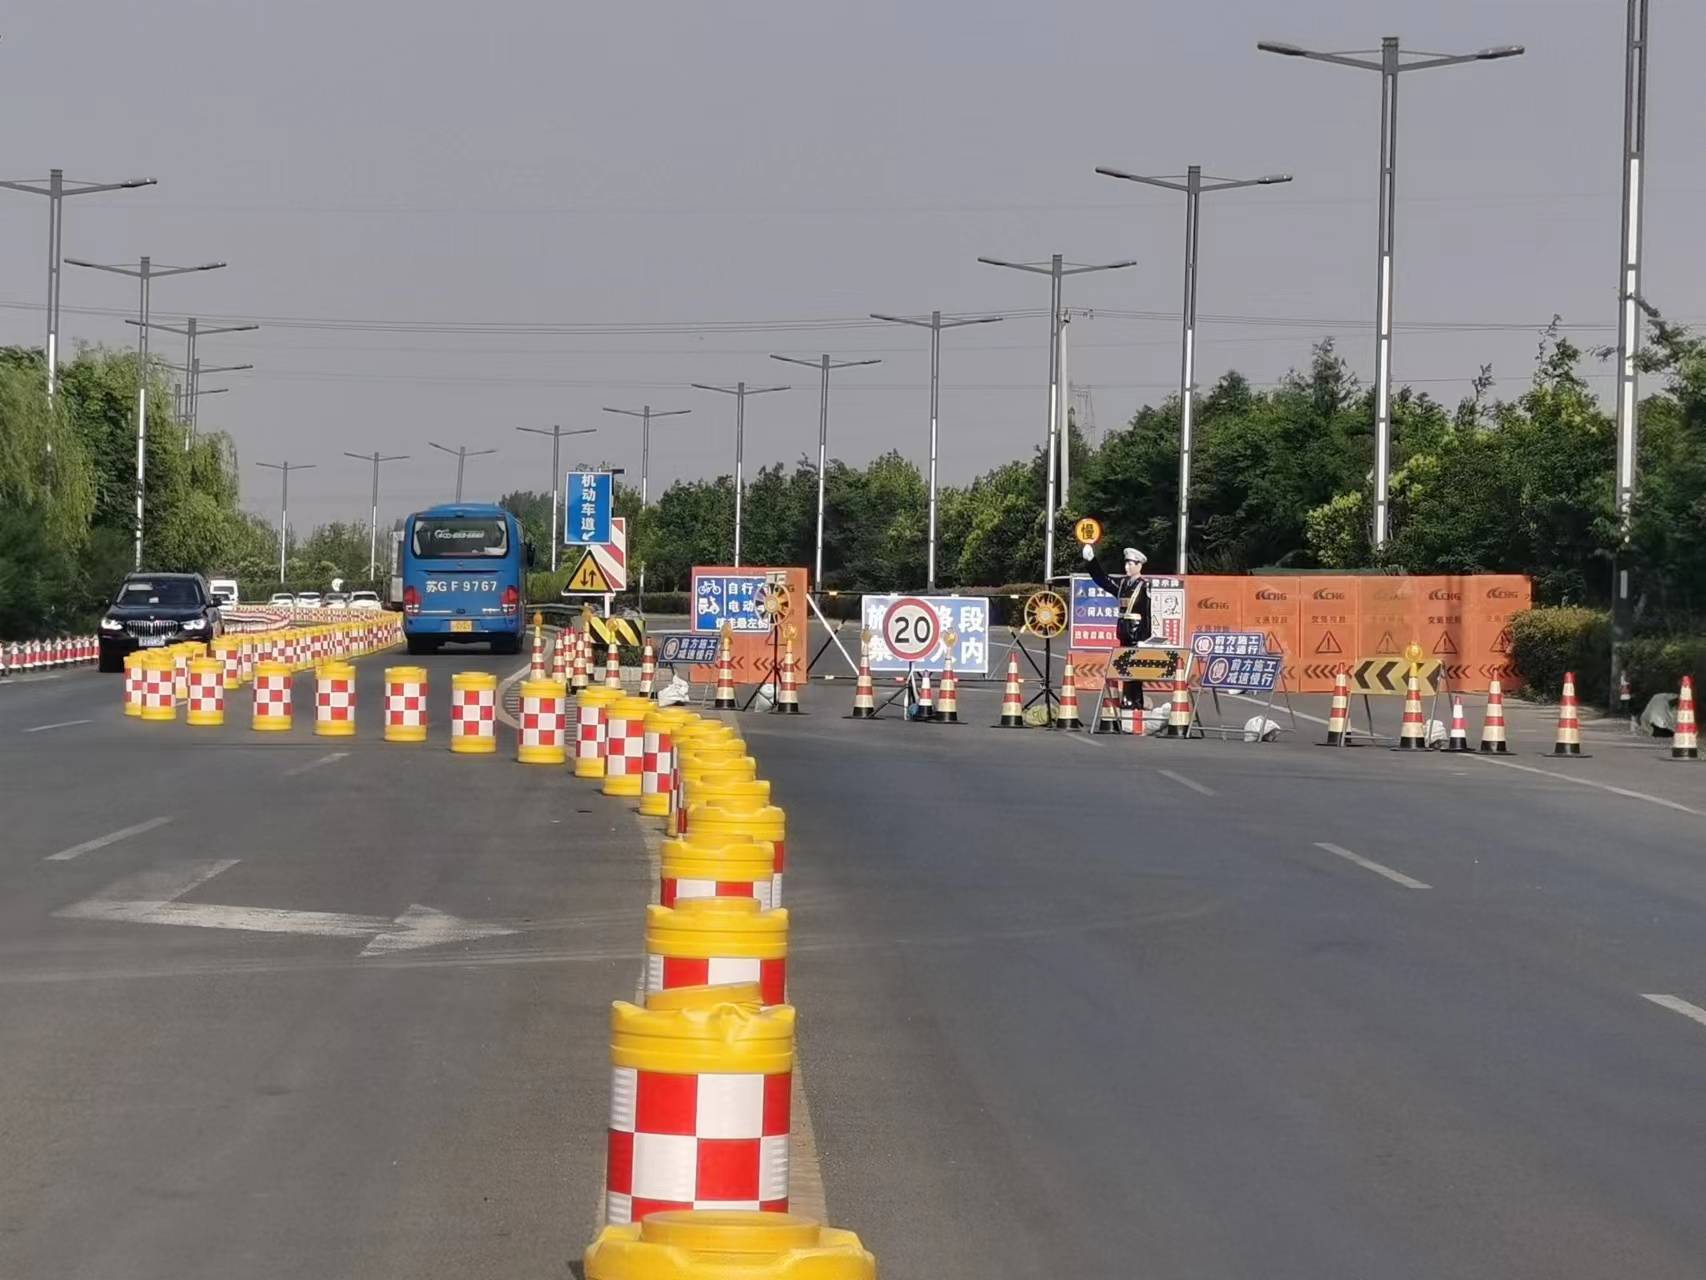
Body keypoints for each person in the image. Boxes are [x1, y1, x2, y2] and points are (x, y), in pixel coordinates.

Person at [1083, 544, 1152, 711]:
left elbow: (1148, 613)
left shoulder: (1144, 585)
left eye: (1131, 564)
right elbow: (1103, 580)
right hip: (1124, 632)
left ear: (1139, 566)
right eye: (1126, 563)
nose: (1127, 567)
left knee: (1135, 670)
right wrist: (1091, 562)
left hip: (1137, 633)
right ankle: (1128, 700)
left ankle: (1135, 701)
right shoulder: (1122, 584)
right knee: (1126, 668)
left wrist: (1146, 637)